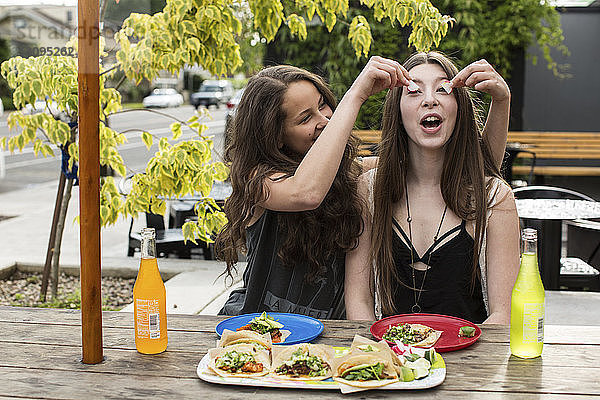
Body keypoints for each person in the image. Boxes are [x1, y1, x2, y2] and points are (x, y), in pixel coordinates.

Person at [214, 57, 411, 319]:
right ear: (276, 137)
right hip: (262, 334)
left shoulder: (350, 171)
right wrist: (356, 95)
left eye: (323, 105)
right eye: (306, 118)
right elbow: (306, 193)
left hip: (332, 334)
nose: (325, 120)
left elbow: (434, 166)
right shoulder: (258, 181)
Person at [345, 52, 519, 324]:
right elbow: (359, 304)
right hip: (388, 361)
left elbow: (504, 315)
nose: (429, 99)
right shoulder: (369, 191)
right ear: (397, 112)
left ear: (459, 108)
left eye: (443, 89)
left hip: (472, 362)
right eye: (413, 91)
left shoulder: (495, 197)